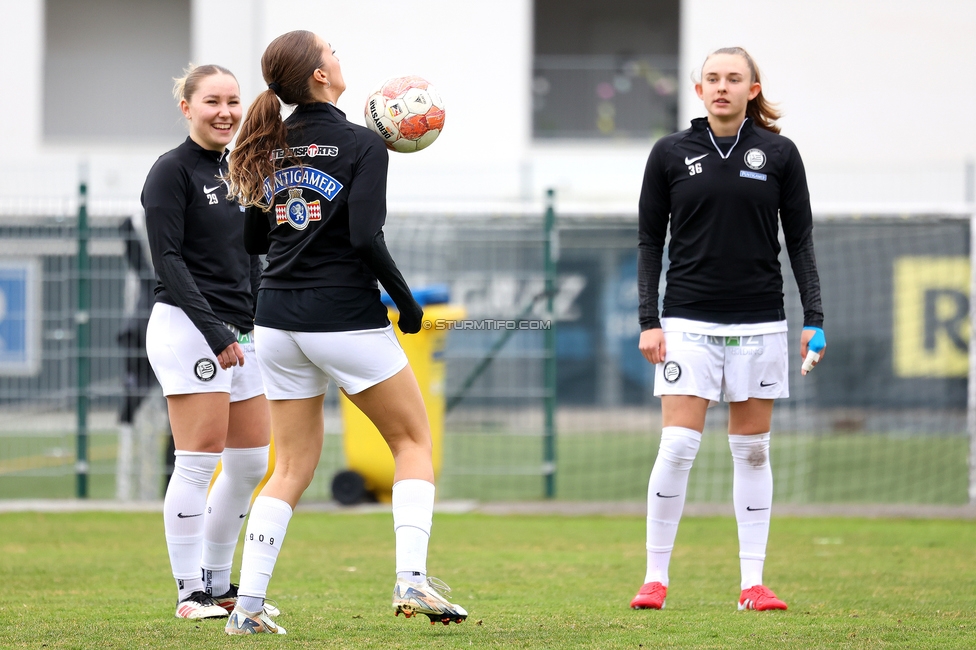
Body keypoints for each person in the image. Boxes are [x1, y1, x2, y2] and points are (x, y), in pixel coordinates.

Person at [222, 30, 467, 635]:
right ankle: (411, 579)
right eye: (330, 51)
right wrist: (406, 305)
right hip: (342, 319)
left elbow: (254, 243)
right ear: (319, 78)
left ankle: (247, 609)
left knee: (291, 467)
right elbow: (363, 239)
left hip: (275, 322)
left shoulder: (267, 144)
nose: (338, 56)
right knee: (412, 444)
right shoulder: (362, 144)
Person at [630, 47, 825, 612]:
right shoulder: (670, 152)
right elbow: (649, 243)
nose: (722, 87)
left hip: (761, 321)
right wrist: (650, 320)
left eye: (733, 78)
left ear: (752, 89)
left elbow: (802, 243)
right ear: (698, 90)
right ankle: (655, 578)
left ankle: (752, 585)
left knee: (754, 452)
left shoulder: (779, 154)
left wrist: (815, 318)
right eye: (712, 78)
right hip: (687, 320)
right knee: (677, 446)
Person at [142, 64, 276, 620]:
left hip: (240, 334)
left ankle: (220, 583)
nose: (225, 112)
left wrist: (258, 319)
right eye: (212, 102)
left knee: (249, 463)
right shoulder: (170, 172)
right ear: (187, 107)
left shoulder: (239, 170)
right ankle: (188, 593)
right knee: (196, 463)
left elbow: (253, 256)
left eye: (233, 102)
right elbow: (168, 262)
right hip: (187, 328)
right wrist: (215, 330)